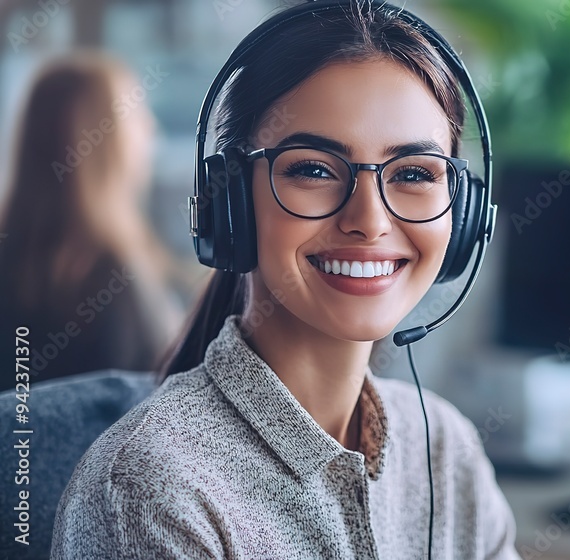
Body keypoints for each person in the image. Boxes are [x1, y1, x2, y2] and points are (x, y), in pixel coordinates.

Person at [51, 2, 518, 559]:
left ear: (463, 215)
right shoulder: (152, 488)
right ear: (232, 206)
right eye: (314, 170)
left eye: (414, 173)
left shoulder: (444, 449)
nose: (369, 220)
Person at [0, 52, 186, 392]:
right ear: (99, 139)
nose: (150, 129)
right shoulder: (111, 280)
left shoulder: (17, 263)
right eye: (135, 115)